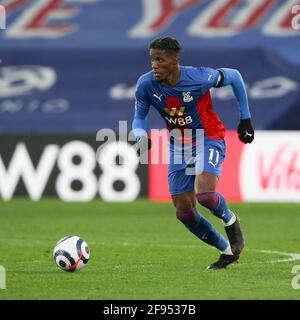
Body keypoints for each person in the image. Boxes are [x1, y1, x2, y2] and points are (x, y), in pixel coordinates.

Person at [132, 36, 254, 269]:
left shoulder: (199, 77)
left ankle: (230, 219)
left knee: (205, 195)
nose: (154, 65)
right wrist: (140, 137)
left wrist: (245, 119)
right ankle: (227, 251)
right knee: (184, 212)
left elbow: (235, 76)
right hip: (179, 144)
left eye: (160, 59)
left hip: (208, 137)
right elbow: (139, 117)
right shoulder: (146, 85)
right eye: (152, 59)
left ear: (175, 61)